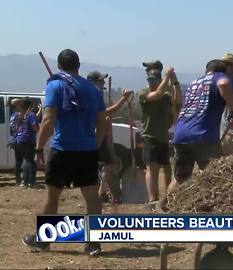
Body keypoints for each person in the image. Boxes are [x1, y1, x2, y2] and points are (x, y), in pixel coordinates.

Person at [22, 49, 106, 256]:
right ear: (78, 65)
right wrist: (94, 143)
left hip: (62, 149)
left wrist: (39, 147)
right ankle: (93, 243)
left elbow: (49, 119)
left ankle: (43, 240)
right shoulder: (93, 89)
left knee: (52, 195)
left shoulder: (54, 85)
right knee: (91, 196)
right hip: (86, 150)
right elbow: (102, 121)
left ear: (59, 66)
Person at [169, 59, 233, 192]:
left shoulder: (194, 83)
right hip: (203, 137)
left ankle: (167, 209)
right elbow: (223, 84)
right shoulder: (219, 77)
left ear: (206, 71)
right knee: (218, 176)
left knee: (180, 178)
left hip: (181, 135)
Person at [138, 63, 181, 211]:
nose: (152, 83)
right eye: (150, 80)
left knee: (167, 167)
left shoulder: (165, 96)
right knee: (152, 168)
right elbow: (155, 95)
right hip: (150, 136)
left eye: (154, 80)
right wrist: (168, 78)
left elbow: (177, 102)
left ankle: (167, 197)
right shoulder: (144, 93)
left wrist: (175, 83)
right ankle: (153, 198)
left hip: (163, 136)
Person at [87, 70, 133, 202]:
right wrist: (123, 99)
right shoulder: (91, 96)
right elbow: (107, 111)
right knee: (109, 164)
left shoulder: (97, 96)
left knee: (109, 164)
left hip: (102, 134)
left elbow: (106, 114)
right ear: (92, 83)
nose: (103, 83)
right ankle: (102, 193)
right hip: (97, 135)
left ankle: (102, 193)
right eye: (100, 81)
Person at [9, 98, 39, 188]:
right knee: (30, 162)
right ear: (29, 105)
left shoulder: (15, 115)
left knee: (18, 162)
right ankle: (30, 183)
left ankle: (19, 182)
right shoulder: (30, 114)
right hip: (27, 140)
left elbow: (15, 128)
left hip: (16, 140)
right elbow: (35, 128)